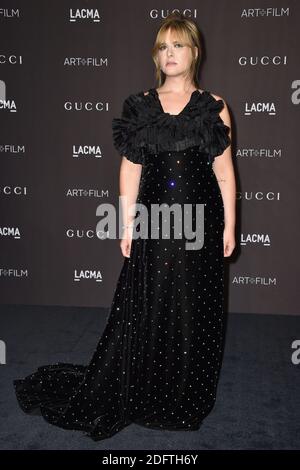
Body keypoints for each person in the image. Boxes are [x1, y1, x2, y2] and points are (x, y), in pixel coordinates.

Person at [13, 12, 236, 442]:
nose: (169, 54)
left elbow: (225, 173)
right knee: (150, 304)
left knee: (196, 309)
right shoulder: (141, 106)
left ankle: (186, 393)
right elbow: (130, 170)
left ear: (194, 52)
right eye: (163, 47)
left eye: (178, 46)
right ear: (157, 55)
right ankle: (145, 386)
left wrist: (229, 226)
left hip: (201, 223)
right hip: (154, 221)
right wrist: (126, 221)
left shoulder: (214, 106)